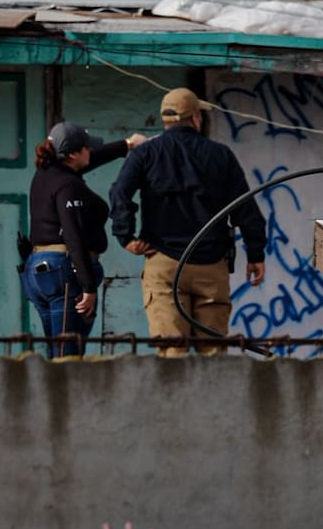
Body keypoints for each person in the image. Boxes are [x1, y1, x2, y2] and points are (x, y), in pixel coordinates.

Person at [109, 88, 267, 356]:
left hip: (164, 264)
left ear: (166, 120)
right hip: (211, 265)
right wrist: (255, 254)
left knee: (172, 354)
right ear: (195, 118)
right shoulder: (221, 155)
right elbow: (244, 207)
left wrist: (126, 236)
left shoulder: (146, 154)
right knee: (214, 353)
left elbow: (119, 192)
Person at [22, 121, 146, 358]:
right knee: (68, 354)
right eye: (86, 148)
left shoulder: (48, 173)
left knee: (55, 352)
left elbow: (91, 158)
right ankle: (63, 396)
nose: (90, 151)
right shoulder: (69, 185)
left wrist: (128, 144)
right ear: (71, 154)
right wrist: (88, 287)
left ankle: (49, 394)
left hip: (39, 271)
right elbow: (73, 236)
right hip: (63, 272)